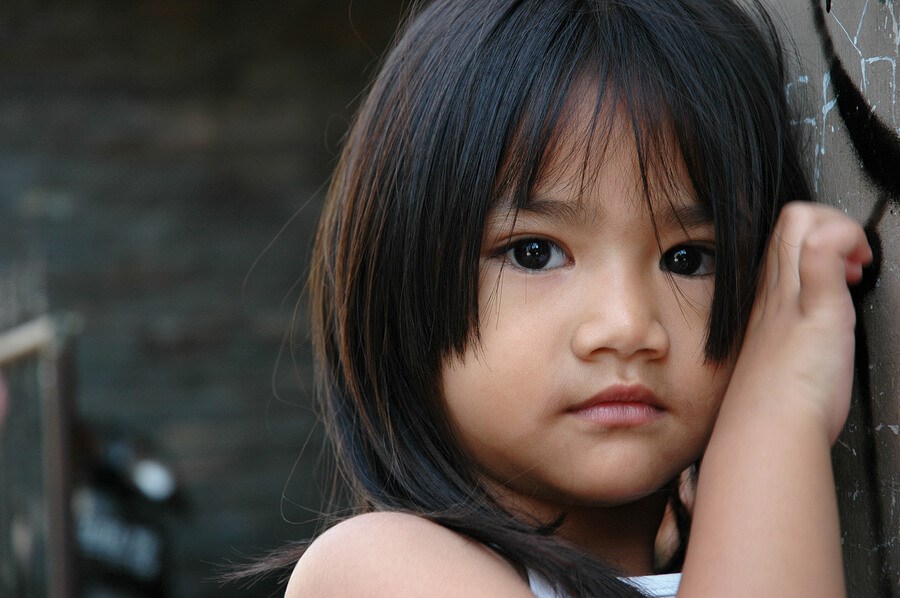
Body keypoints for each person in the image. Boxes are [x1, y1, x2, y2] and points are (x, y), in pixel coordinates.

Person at [283, 0, 872, 596]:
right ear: (400, 275)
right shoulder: (373, 568)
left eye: (688, 259)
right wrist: (773, 418)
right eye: (534, 252)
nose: (627, 326)